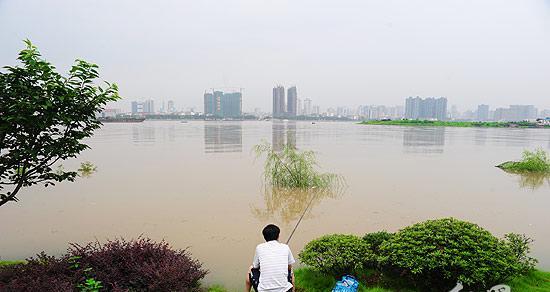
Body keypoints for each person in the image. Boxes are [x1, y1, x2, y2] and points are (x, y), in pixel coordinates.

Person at [245, 224, 295, 292]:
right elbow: (289, 267)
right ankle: (293, 290)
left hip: (263, 290)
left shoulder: (259, 247)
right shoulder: (285, 247)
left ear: (264, 237)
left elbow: (255, 267)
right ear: (278, 236)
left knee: (250, 269)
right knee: (291, 271)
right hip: (284, 290)